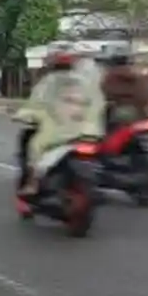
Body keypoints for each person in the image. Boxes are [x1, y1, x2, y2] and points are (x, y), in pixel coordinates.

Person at [14, 51, 105, 199]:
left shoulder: (48, 82)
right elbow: (98, 104)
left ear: (53, 65)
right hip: (88, 132)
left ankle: (32, 184)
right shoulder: (83, 82)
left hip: (59, 133)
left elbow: (35, 105)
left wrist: (23, 114)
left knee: (35, 146)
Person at [101, 52, 148, 129]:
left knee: (116, 134)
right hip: (139, 110)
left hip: (119, 109)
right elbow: (145, 93)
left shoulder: (111, 75)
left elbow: (106, 89)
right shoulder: (139, 75)